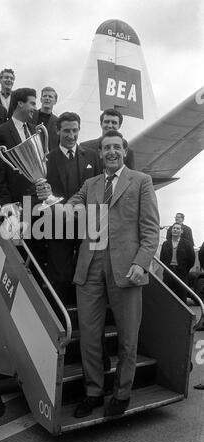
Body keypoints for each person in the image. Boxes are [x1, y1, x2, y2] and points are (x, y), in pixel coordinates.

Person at [63, 130, 159, 418]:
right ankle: (93, 392)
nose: (112, 152)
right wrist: (71, 208)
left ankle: (122, 393)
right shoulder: (91, 183)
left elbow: (152, 229)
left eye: (117, 147)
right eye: (107, 148)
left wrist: (142, 262)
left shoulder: (141, 181)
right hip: (89, 265)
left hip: (126, 268)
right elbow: (71, 204)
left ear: (124, 150)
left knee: (128, 337)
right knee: (90, 336)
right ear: (101, 153)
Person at [42, 112, 100, 303]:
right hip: (58, 225)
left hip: (86, 225)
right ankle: (59, 317)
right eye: (66, 130)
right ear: (57, 131)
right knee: (60, 275)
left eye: (75, 130)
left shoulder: (92, 156)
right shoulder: (47, 160)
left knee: (89, 273)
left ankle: (85, 313)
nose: (71, 135)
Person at [0, 87, 39, 206]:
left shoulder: (35, 130)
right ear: (20, 103)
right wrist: (7, 206)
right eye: (32, 104)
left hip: (39, 200)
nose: (35, 108)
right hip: (18, 202)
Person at [160, 222, 195, 302]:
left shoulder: (187, 244)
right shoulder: (165, 244)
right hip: (168, 273)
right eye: (174, 228)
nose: (175, 230)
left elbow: (191, 260)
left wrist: (184, 270)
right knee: (167, 297)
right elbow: (162, 259)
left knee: (181, 298)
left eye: (178, 228)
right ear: (171, 230)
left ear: (181, 231)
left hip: (181, 274)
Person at [28, 87, 59, 151]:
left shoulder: (58, 122)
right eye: (45, 96)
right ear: (41, 99)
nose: (47, 98)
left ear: (55, 101)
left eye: (50, 97)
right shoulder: (29, 116)